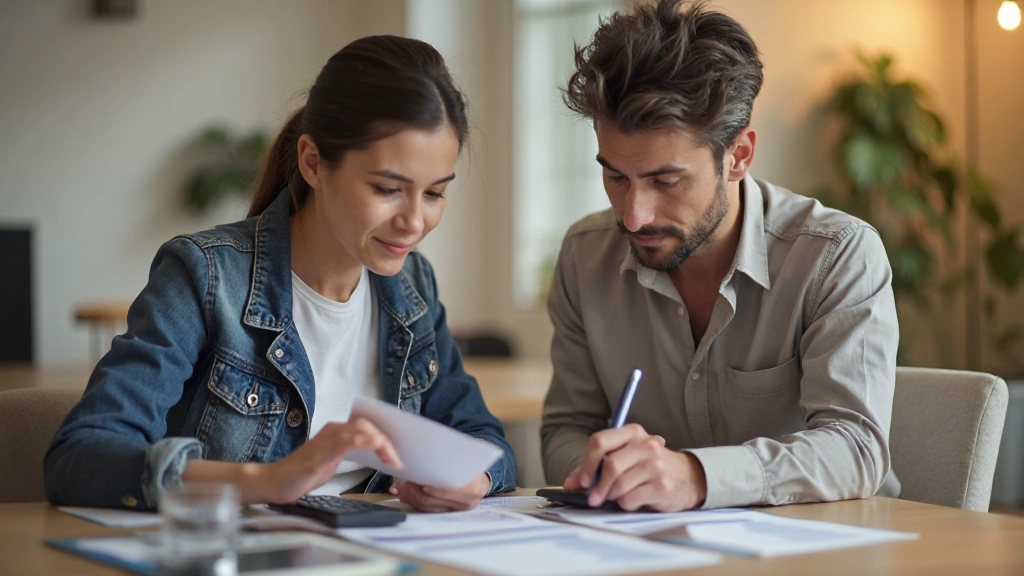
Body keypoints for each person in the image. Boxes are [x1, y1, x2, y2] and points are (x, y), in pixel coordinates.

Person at [45, 35, 516, 513]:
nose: (414, 222)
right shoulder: (204, 275)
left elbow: (483, 440)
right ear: (313, 162)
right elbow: (82, 457)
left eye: (434, 194)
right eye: (387, 189)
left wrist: (473, 479)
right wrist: (265, 481)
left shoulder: (412, 287)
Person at [541, 0, 899, 512]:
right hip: (655, 549)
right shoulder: (584, 256)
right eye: (616, 176)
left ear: (739, 156)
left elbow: (856, 448)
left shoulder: (835, 255)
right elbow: (566, 428)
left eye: (666, 180)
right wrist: (600, 471)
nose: (634, 215)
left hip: (829, 544)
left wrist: (696, 476)